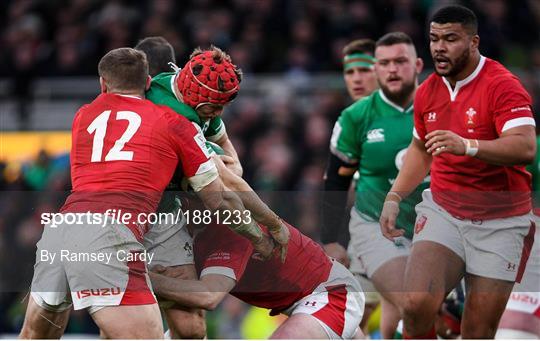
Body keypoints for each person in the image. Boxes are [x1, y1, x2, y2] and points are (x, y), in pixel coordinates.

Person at [19, 48, 274, 339]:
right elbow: (219, 198)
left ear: (102, 84)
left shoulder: (83, 116)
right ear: (149, 82)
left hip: (64, 227)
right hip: (111, 234)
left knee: (33, 335)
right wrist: (261, 233)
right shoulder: (173, 123)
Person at [379, 5, 536, 338]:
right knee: (416, 305)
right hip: (445, 211)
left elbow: (525, 147)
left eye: (450, 39)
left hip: (501, 221)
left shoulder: (503, 85)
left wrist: (468, 145)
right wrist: (394, 197)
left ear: (473, 42)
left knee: (478, 331)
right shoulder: (427, 92)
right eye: (435, 39)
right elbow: (421, 149)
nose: (439, 47)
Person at [135, 37, 289, 338]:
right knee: (128, 326)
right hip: (132, 215)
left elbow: (228, 154)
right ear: (201, 102)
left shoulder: (184, 88)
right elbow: (228, 181)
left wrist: (220, 165)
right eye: (215, 108)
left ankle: (130, 279)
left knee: (191, 329)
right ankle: (127, 278)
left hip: (166, 216)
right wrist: (271, 226)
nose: (218, 114)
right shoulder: (177, 117)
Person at [150, 158, 364, 339]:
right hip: (303, 298)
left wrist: (141, 278)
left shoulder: (231, 228)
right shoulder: (181, 222)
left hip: (332, 294)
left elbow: (208, 296)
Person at [322, 32, 426, 338]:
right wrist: (333, 239)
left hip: (424, 223)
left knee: (396, 307)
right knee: (363, 313)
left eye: (364, 70)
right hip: (371, 231)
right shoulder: (353, 120)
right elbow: (336, 184)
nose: (356, 79)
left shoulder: (423, 106)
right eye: (349, 72)